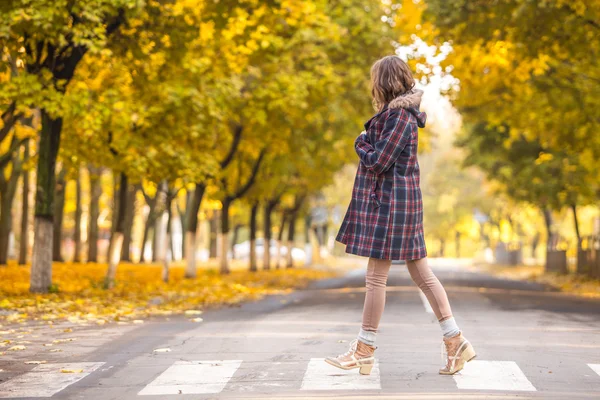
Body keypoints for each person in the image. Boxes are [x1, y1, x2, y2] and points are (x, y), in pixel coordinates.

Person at [325, 55, 476, 376]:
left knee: (377, 278)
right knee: (422, 275)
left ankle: (364, 349)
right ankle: (455, 340)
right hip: (398, 204)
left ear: (383, 82)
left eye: (374, 79)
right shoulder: (394, 117)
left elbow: (379, 161)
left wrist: (360, 143)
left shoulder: (399, 119)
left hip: (393, 207)